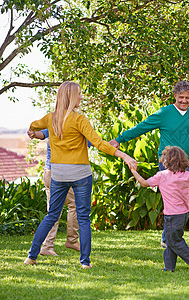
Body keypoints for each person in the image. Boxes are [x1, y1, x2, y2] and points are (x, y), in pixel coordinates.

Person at [24, 81, 137, 269]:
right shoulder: (79, 120)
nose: (81, 97)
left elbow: (34, 125)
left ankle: (31, 257)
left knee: (52, 215)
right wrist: (124, 155)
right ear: (70, 97)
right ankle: (85, 262)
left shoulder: (51, 118)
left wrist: (32, 131)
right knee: (83, 217)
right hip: (80, 175)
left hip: (58, 175)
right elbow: (99, 143)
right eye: (79, 94)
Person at [109, 80, 189, 247]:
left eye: (188, 98)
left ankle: (170, 236)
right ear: (175, 96)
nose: (184, 101)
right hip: (167, 164)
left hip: (184, 165)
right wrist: (120, 139)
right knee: (171, 200)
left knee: (181, 201)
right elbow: (142, 127)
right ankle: (168, 238)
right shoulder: (165, 113)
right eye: (181, 97)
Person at [27, 129, 84, 256]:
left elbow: (40, 134)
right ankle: (72, 240)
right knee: (74, 204)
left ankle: (47, 246)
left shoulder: (52, 122)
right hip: (62, 173)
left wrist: (33, 133)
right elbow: (89, 142)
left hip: (49, 172)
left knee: (53, 211)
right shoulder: (73, 124)